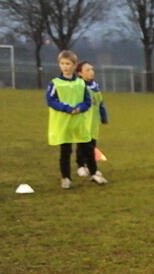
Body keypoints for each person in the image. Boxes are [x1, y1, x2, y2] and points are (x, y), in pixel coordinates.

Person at [45, 50, 106, 188]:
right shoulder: (55, 83)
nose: (65, 66)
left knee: (88, 148)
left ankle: (94, 173)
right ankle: (66, 178)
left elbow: (87, 101)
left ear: (74, 65)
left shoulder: (81, 83)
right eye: (62, 63)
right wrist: (66, 108)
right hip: (63, 123)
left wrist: (80, 108)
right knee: (65, 151)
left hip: (79, 122)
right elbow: (50, 100)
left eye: (68, 64)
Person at [75, 61, 109, 182]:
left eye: (92, 69)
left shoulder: (95, 86)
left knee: (92, 144)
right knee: (84, 145)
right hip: (82, 121)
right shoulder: (78, 86)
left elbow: (100, 103)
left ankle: (89, 167)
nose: (91, 72)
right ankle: (81, 166)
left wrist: (104, 117)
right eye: (88, 70)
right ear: (80, 73)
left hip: (93, 122)